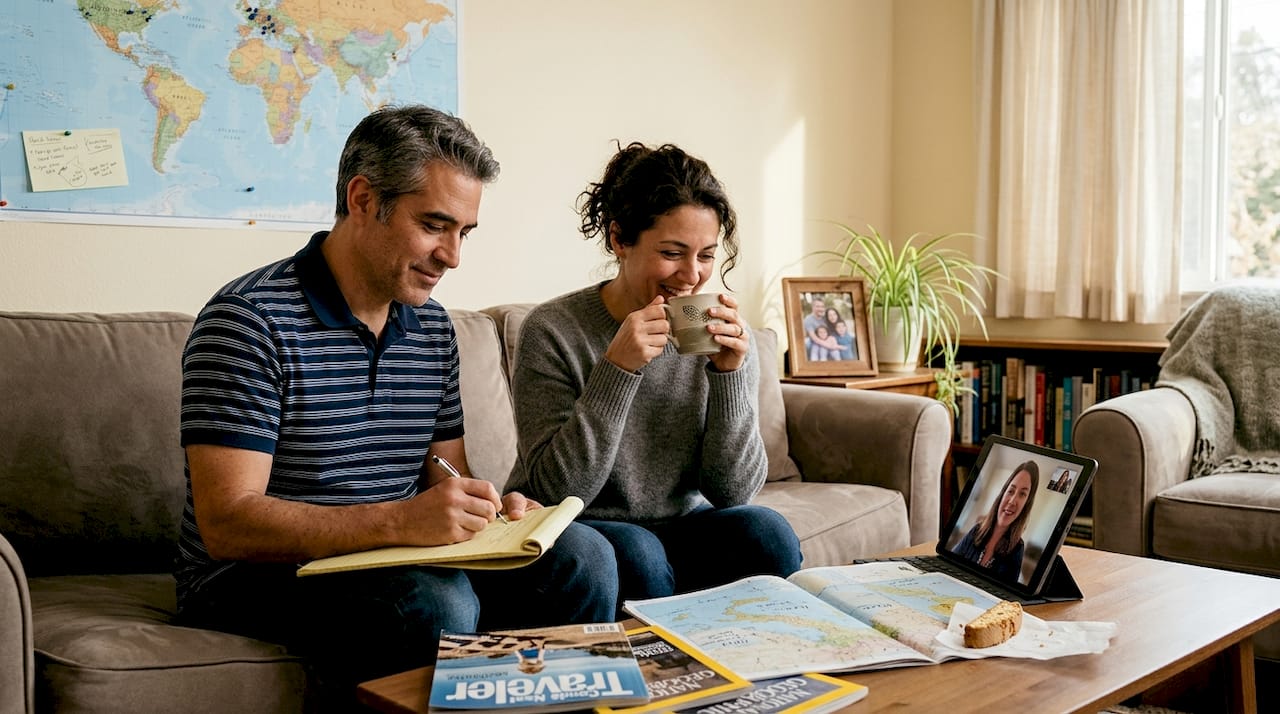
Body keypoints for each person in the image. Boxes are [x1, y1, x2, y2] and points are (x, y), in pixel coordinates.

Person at [173, 105, 617, 708]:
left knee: (585, 556)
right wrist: (399, 521)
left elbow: (445, 472)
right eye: (434, 225)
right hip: (253, 575)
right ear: (362, 199)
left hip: (390, 555)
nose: (452, 255)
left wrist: (494, 518)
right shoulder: (247, 321)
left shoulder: (431, 328)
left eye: (464, 232)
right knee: (433, 602)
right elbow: (228, 524)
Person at [504, 141, 802, 615]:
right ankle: (667, 656)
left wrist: (729, 377)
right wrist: (617, 370)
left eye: (706, 255)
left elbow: (734, 493)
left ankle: (749, 651)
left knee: (768, 533)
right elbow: (554, 491)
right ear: (620, 239)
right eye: (672, 253)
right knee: (639, 552)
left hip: (683, 525)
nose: (692, 275)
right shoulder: (553, 330)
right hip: (585, 526)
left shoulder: (718, 335)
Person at [952, 461, 1040, 581]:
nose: (1012, 501)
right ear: (1003, 493)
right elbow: (949, 561)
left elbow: (1007, 591)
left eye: (1022, 494)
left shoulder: (1017, 549)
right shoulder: (977, 530)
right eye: (1011, 491)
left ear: (1026, 504)